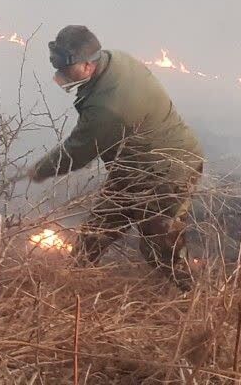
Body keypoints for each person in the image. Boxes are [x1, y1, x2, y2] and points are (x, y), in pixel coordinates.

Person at [27, 25, 204, 291]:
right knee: (98, 229)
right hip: (132, 165)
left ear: (87, 65)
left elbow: (78, 151)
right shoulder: (114, 59)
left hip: (166, 170)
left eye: (66, 67)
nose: (61, 74)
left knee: (160, 247)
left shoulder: (107, 108)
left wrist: (41, 170)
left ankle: (194, 297)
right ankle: (69, 282)